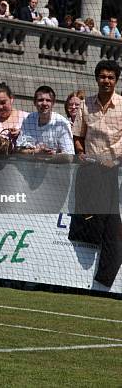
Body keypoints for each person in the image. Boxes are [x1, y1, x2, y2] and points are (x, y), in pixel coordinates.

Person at [72, 60, 122, 287]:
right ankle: (98, 280)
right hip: (90, 171)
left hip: (114, 173)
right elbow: (77, 136)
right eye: (103, 77)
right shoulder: (85, 105)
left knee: (111, 226)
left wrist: (116, 160)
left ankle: (103, 280)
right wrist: (81, 153)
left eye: (111, 77)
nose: (106, 81)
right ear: (96, 78)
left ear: (116, 80)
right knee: (96, 224)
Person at [16, 85, 74, 155]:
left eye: (48, 100)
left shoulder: (62, 124)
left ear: (53, 103)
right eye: (40, 100)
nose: (44, 103)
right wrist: (36, 152)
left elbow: (70, 156)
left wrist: (52, 155)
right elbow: (18, 150)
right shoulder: (28, 120)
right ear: (34, 102)